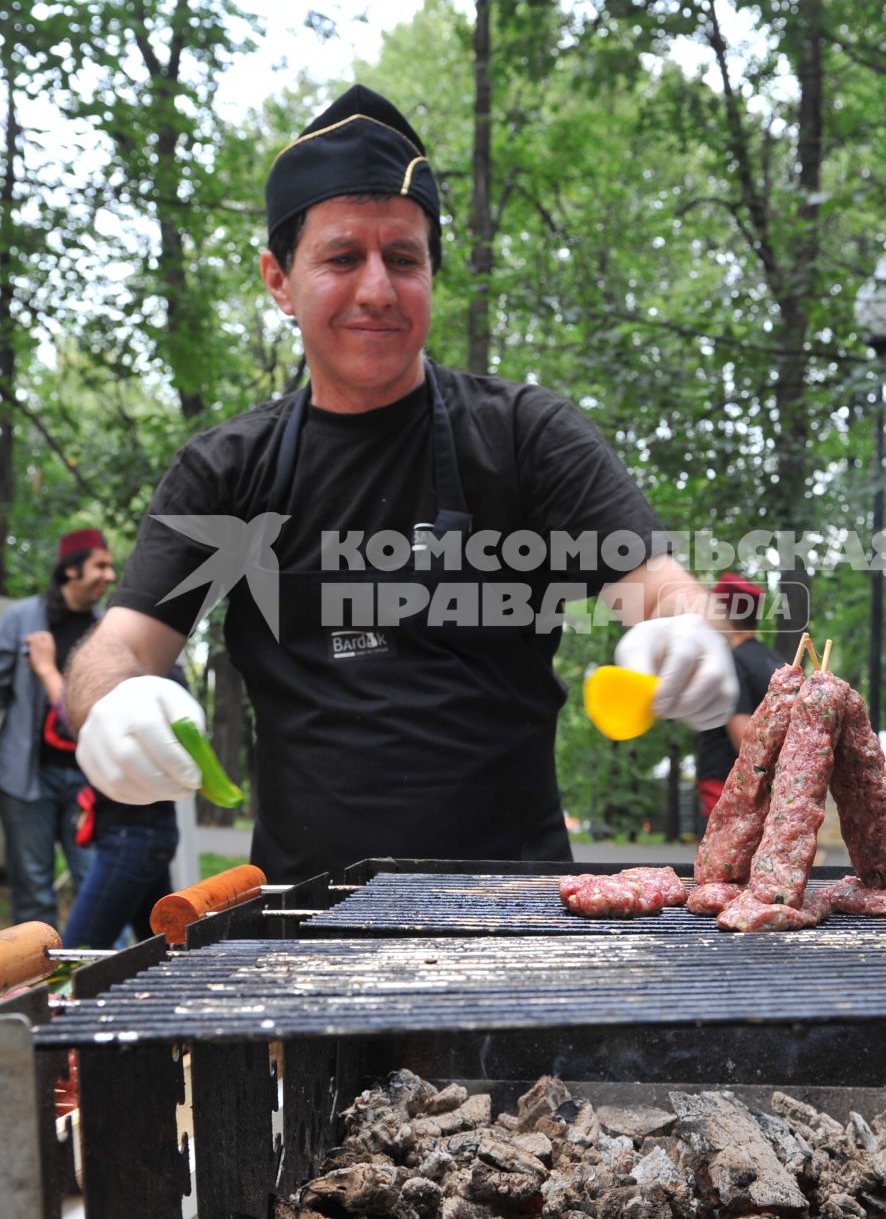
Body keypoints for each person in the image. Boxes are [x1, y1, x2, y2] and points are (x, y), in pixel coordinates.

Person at [63, 83, 738, 883]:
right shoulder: (227, 471)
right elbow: (120, 645)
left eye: (404, 258)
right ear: (279, 280)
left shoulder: (526, 436)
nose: (377, 288)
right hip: (299, 921)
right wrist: (107, 704)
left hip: (516, 916)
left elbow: (660, 586)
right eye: (343, 257)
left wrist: (689, 634)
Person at [0, 529, 117, 925]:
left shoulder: (107, 629)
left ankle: (104, 977)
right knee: (32, 887)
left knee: (94, 882)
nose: (110, 576)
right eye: (100, 565)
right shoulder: (23, 618)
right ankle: (39, 979)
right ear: (71, 569)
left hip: (88, 779)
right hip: (25, 776)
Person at [25, 635, 179, 949]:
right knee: (165, 949)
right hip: (145, 833)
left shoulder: (146, 681)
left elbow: (79, 719)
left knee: (78, 957)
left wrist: (45, 669)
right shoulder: (161, 677)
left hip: (133, 836)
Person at [694, 573, 786, 825]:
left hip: (730, 789)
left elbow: (745, 737)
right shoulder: (778, 663)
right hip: (774, 792)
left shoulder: (730, 661)